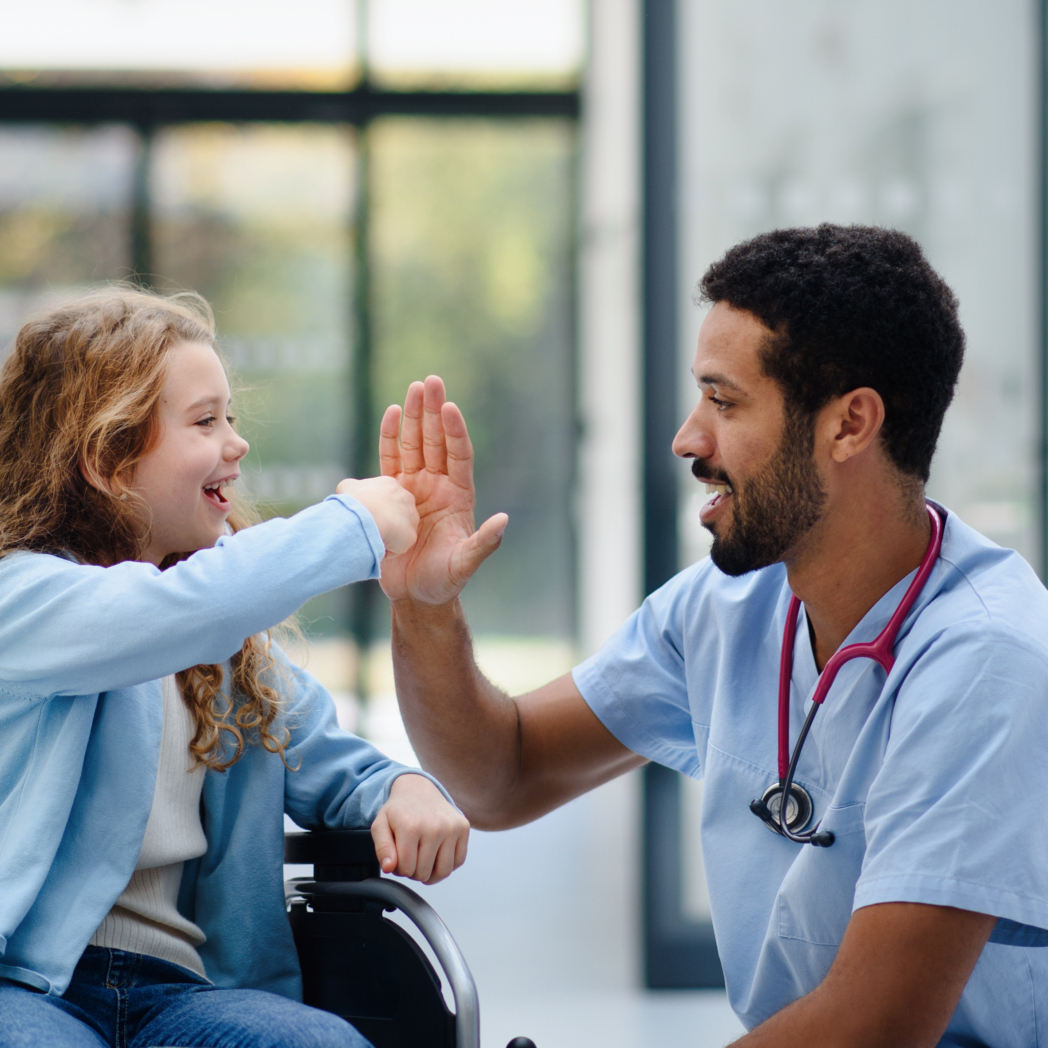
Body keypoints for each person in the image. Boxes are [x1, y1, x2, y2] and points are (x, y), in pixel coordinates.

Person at [378, 225, 1048, 1047]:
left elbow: (877, 1026)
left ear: (850, 425)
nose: (689, 439)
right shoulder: (730, 606)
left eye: (724, 402)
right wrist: (425, 607)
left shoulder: (987, 659)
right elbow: (500, 775)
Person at [0, 287, 469, 1048]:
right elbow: (164, 614)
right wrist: (351, 523)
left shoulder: (233, 652)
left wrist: (403, 787)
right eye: (204, 421)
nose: (236, 443)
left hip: (182, 996)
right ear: (107, 459)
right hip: (25, 987)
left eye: (232, 417)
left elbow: (334, 763)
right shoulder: (21, 600)